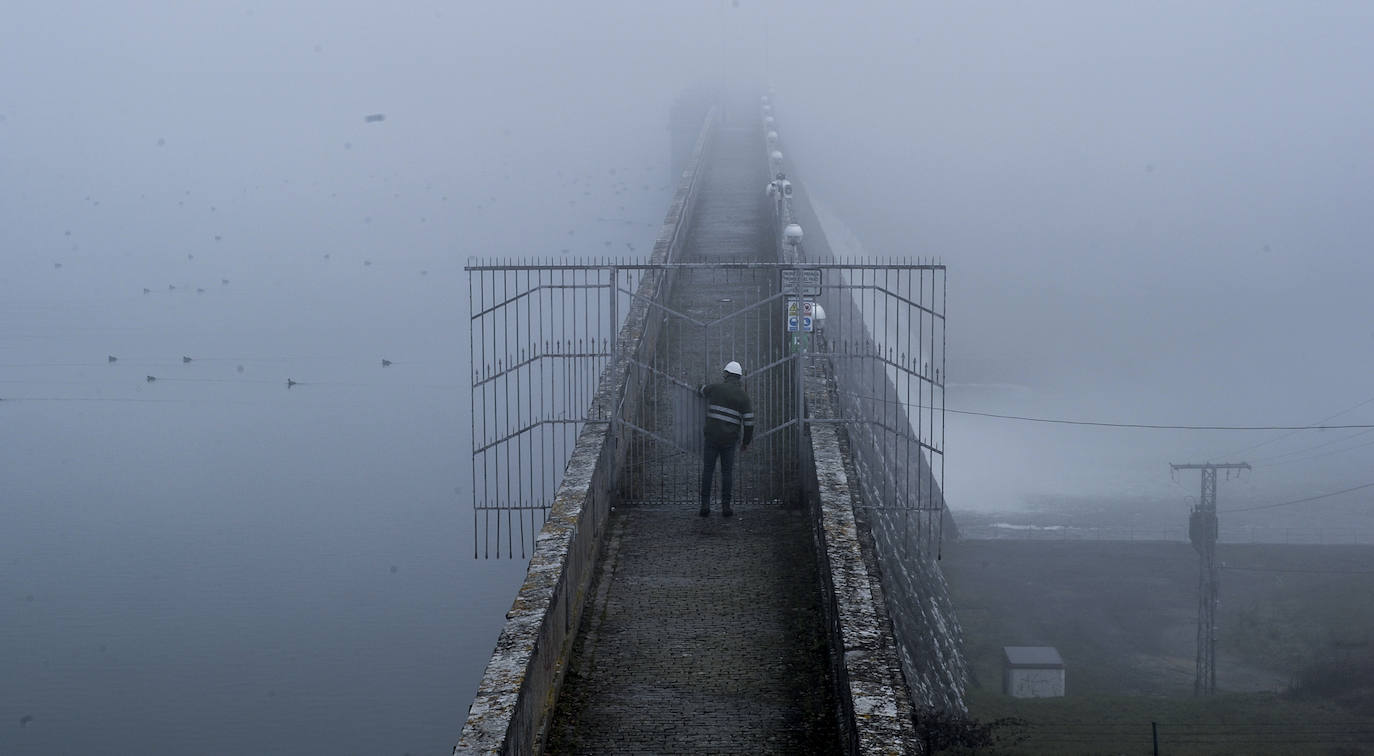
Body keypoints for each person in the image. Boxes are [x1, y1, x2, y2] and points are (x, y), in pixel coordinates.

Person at [699, 361, 754, 517]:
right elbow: (749, 421)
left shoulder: (716, 388)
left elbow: (702, 390)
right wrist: (745, 442)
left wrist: (699, 385)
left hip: (711, 437)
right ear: (739, 377)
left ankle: (705, 505)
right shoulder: (743, 396)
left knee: (708, 471)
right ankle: (726, 507)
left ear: (726, 374)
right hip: (729, 440)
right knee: (727, 473)